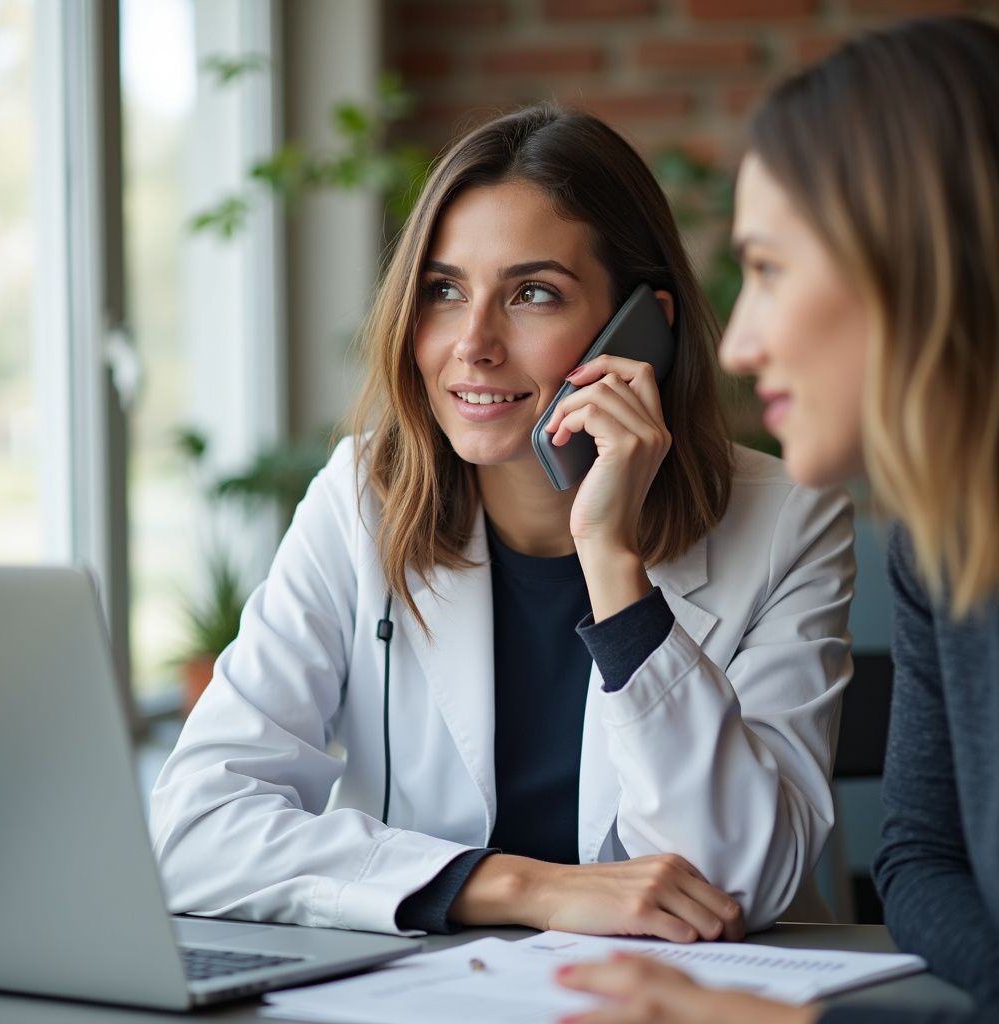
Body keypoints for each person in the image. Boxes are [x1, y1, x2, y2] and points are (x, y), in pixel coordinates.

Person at [150, 103, 855, 941]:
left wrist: (613, 561)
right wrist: (525, 887)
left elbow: (738, 882)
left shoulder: (789, 523)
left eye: (532, 294)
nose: (473, 344)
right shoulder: (359, 498)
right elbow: (194, 829)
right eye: (444, 291)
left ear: (644, 329)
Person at [557, 14, 999, 1024]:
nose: (741, 343)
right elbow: (921, 861)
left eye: (765, 269)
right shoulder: (941, 548)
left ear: (914, 257)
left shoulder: (819, 522)